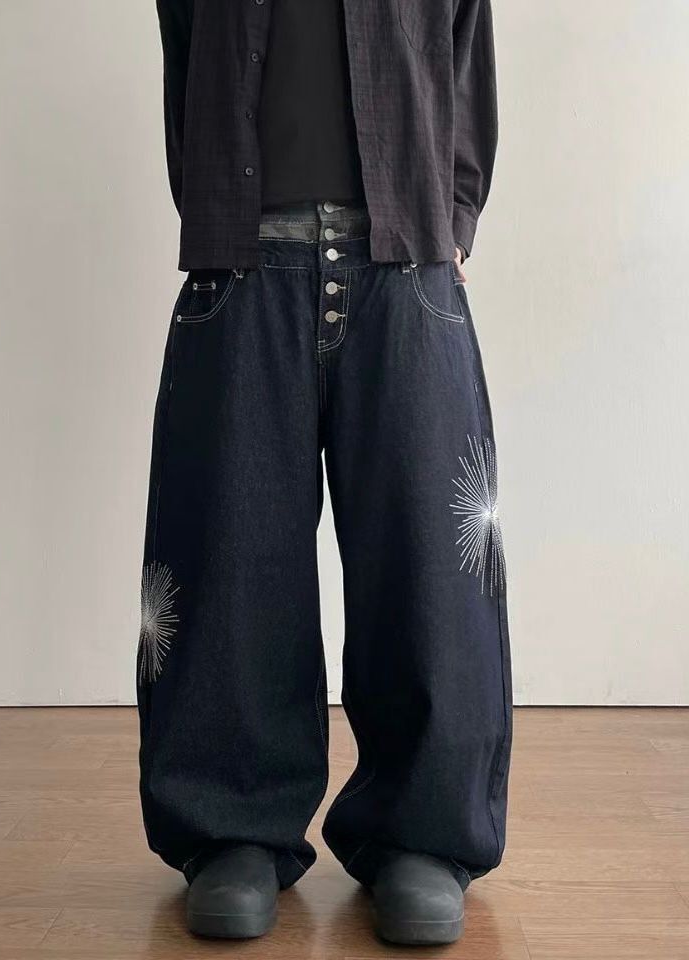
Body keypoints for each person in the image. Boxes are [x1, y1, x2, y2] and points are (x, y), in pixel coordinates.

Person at [137, 0, 511, 946]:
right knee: (227, 551)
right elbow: (184, 49)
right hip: (241, 268)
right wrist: (212, 209)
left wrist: (452, 215)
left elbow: (467, 49)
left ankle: (422, 832)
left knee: (429, 565)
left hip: (408, 269)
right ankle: (232, 826)